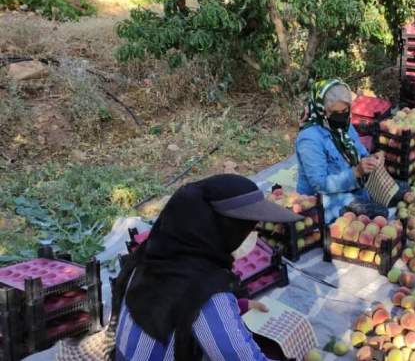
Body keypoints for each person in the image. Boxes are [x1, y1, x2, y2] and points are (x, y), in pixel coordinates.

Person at [111, 174, 301, 360]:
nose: (253, 235)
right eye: (248, 228)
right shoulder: (206, 293)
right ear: (225, 231)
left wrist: (239, 305)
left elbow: (169, 308)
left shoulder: (154, 255)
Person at [296, 79, 389, 222]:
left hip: (352, 188)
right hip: (324, 199)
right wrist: (356, 172)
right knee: (380, 213)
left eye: (345, 111)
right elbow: (319, 184)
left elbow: (361, 153)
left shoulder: (344, 127)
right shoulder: (309, 139)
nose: (341, 116)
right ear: (321, 110)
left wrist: (374, 158)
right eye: (335, 112)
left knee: (401, 193)